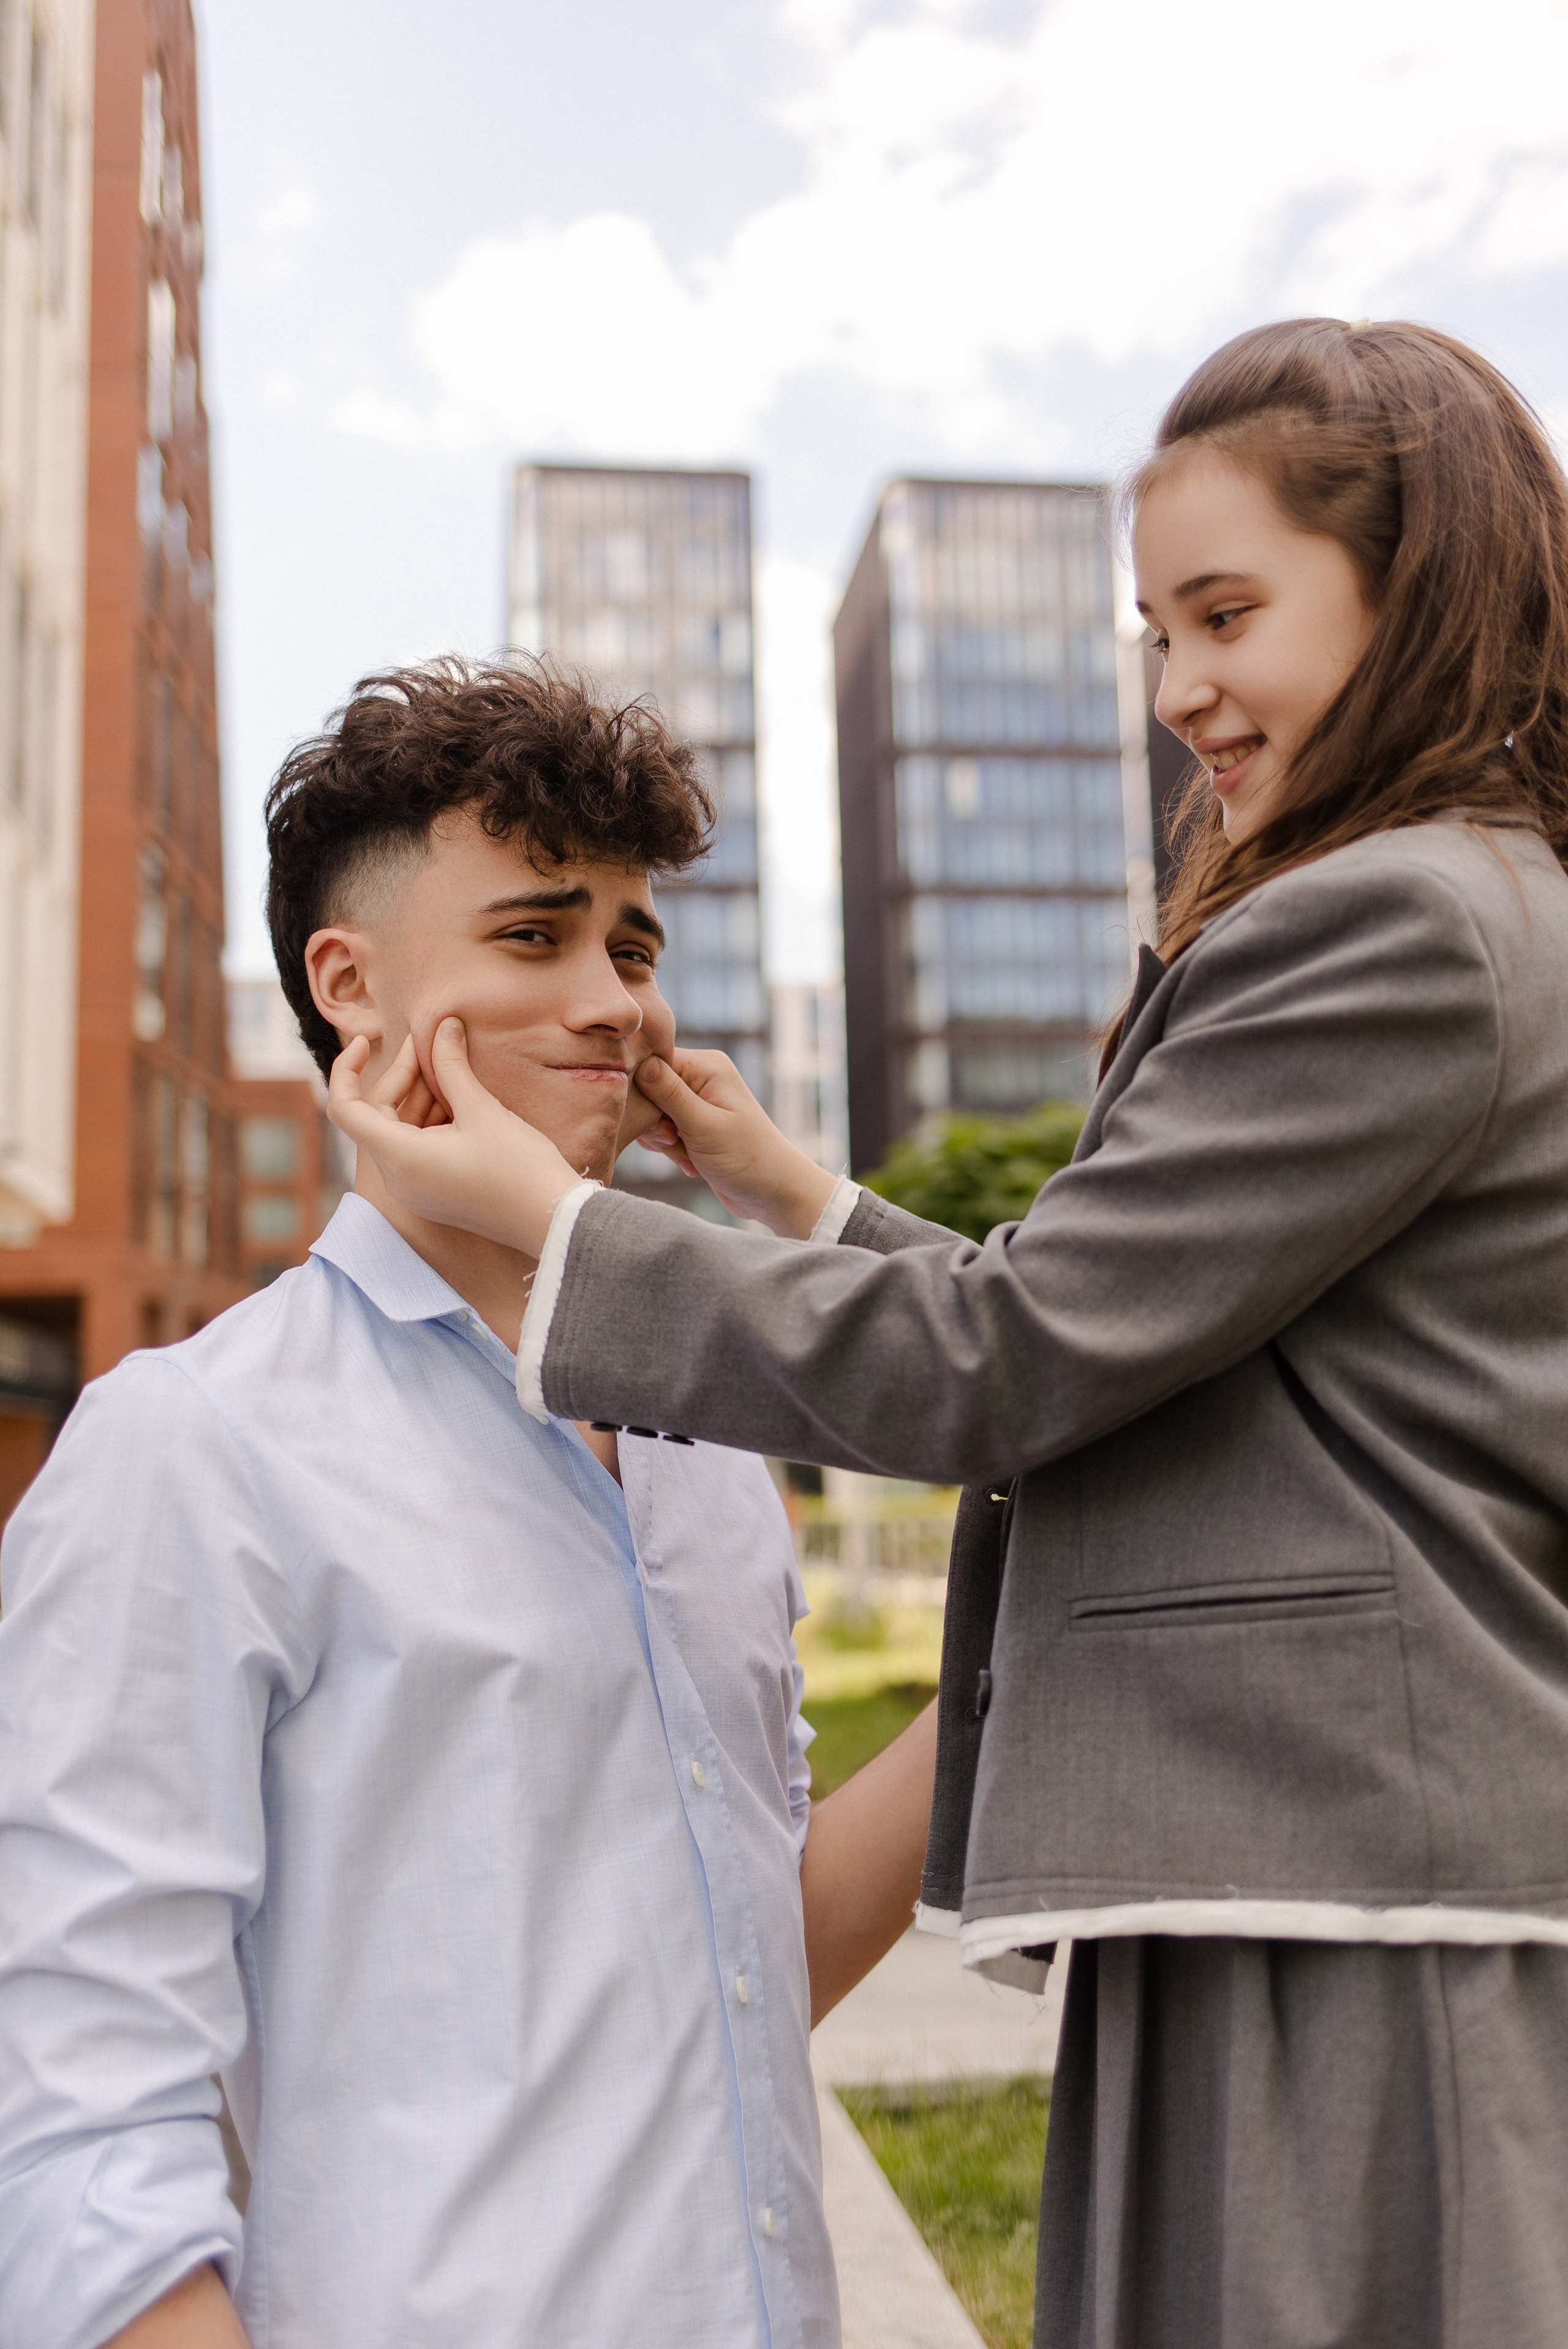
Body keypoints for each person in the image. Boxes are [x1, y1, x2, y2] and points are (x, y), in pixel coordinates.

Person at [331, 321, 1568, 2347]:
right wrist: (794, 1194)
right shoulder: (1462, 898)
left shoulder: (1398, 918)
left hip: (1353, 1884)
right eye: (1154, 633)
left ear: (1414, 589)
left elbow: (1020, 1360)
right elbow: (1136, 1334)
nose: (1177, 693)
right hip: (1310, 1860)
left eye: (1227, 615)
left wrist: (555, 1230)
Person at [0, 660, 938, 2349]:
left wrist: (1041, 1631)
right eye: (532, 935)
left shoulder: (709, 1450)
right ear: (348, 986)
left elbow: (743, 1958)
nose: (614, 1005)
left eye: (632, 951)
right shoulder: (195, 1447)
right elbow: (81, 2114)